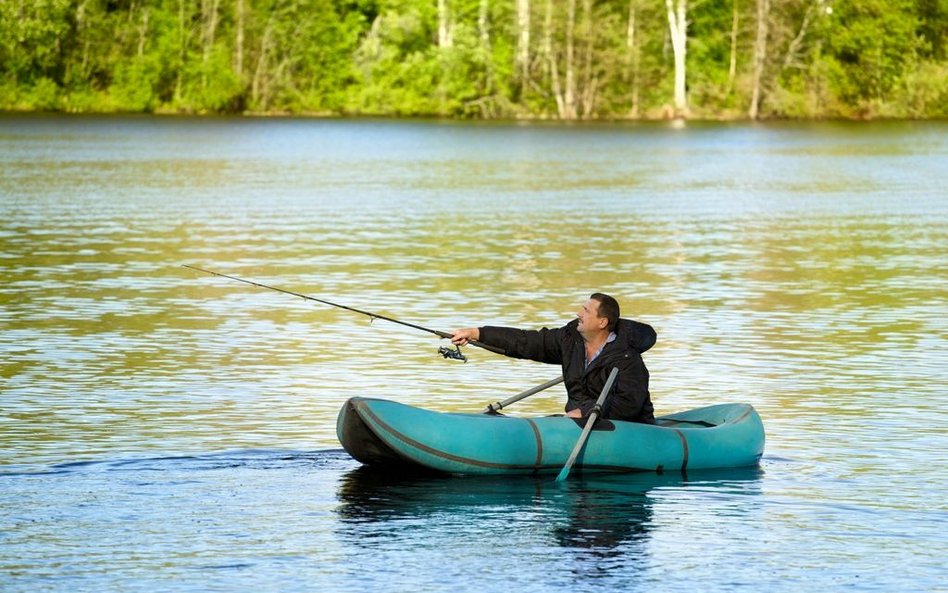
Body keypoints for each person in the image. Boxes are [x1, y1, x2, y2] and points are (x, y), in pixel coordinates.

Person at [451, 293, 656, 423]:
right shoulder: (570, 340)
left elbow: (629, 405)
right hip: (576, 422)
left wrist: (583, 411)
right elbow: (526, 341)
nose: (578, 313)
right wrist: (477, 332)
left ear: (602, 322)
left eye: (585, 310)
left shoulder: (628, 358)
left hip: (628, 428)